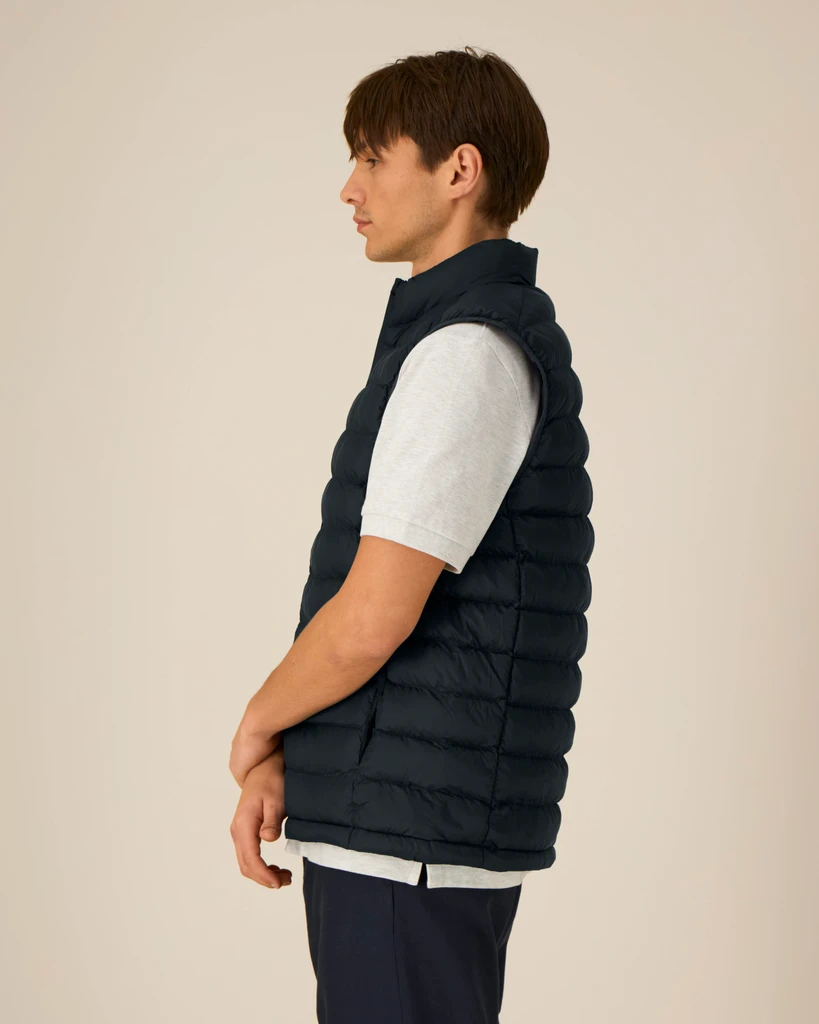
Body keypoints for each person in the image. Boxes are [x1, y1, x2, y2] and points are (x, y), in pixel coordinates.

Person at [228, 45, 594, 1024]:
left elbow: (371, 618)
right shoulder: (460, 338)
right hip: (400, 825)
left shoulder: (466, 351)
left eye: (371, 157)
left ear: (458, 170)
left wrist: (260, 723)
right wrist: (300, 759)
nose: (348, 188)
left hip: (406, 847)